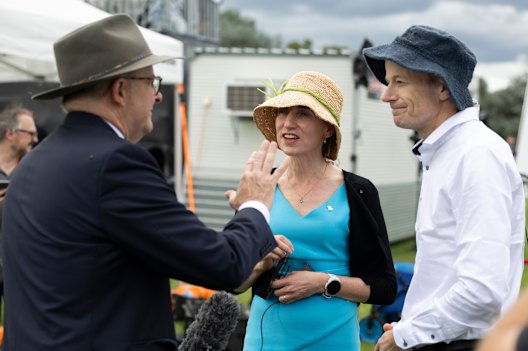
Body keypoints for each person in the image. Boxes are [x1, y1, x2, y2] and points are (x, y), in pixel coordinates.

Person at [2, 14, 290, 350]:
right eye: (152, 83)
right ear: (121, 90)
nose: (158, 97)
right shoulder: (116, 163)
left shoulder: (32, 163)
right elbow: (221, 264)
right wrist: (254, 205)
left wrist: (248, 256)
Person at [363, 25, 525, 351]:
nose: (386, 95)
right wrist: (411, 325)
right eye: (388, 81)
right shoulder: (451, 152)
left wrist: (407, 334)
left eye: (399, 81)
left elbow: (481, 289)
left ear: (441, 87)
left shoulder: (476, 154)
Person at [231, 70, 397, 350]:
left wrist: (323, 282)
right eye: (282, 113)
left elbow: (385, 287)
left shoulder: (358, 192)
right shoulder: (261, 184)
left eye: (303, 114)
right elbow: (232, 280)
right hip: (265, 340)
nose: (287, 123)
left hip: (333, 340)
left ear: (328, 129)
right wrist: (261, 263)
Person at [0, 105, 38, 327]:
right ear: (10, 134)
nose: (36, 138)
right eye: (30, 133)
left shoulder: (35, 168)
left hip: (24, 261)